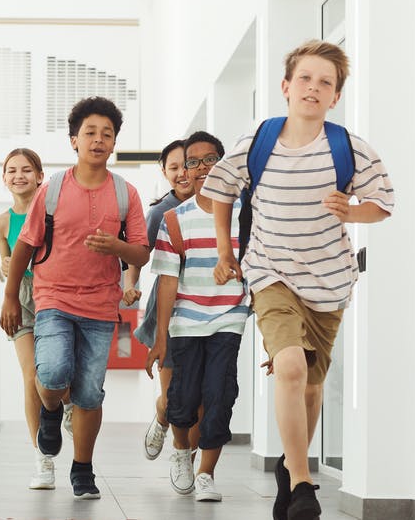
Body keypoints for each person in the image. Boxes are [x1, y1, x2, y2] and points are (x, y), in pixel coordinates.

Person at [203, 40, 394, 520]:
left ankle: (290, 472)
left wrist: (352, 209)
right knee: (289, 367)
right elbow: (219, 192)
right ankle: (304, 482)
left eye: (325, 82)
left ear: (335, 97)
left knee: (310, 386)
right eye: (305, 79)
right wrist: (227, 250)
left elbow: (383, 205)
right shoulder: (258, 141)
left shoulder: (348, 148)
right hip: (270, 273)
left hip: (330, 282)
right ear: (286, 87)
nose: (314, 87)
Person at [0, 96, 150, 500]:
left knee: (88, 392)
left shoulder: (126, 193)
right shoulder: (51, 191)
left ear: (114, 142)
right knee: (49, 374)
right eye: (90, 133)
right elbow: (25, 247)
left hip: (101, 305)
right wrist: (11, 297)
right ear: (74, 140)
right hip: (52, 298)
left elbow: (141, 252)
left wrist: (115, 248)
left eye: (107, 134)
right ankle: (50, 410)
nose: (98, 140)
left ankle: (82, 469)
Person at [145, 131, 250, 503]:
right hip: (186, 322)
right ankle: (180, 451)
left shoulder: (245, 216)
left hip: (229, 317)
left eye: (210, 160)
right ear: (184, 172)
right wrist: (160, 338)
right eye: (193, 162)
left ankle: (206, 473)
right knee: (184, 398)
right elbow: (168, 284)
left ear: (224, 164)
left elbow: (258, 273)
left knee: (220, 395)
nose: (202, 167)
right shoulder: (174, 220)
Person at [0, 148, 60, 490]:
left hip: (54, 295)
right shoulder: (1, 223)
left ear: (39, 175)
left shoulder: (53, 210)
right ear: (4, 178)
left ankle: (62, 407)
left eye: (25, 169)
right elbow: (6, 267)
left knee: (55, 374)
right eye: (11, 170)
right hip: (20, 298)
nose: (18, 175)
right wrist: (7, 269)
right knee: (31, 374)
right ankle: (42, 459)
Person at [131, 139, 201, 462]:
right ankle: (169, 431)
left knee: (200, 396)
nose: (182, 173)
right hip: (168, 310)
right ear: (164, 171)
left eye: (186, 165)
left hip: (204, 308)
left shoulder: (216, 206)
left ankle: (188, 451)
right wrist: (131, 284)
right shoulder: (160, 212)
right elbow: (138, 254)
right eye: (173, 167)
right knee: (173, 395)